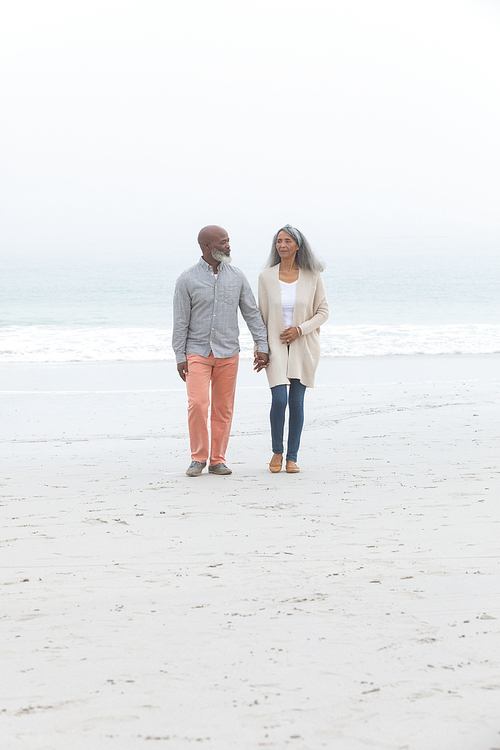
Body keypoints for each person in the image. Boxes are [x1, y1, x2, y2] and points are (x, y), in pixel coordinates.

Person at [172, 225, 269, 476]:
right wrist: (179, 355)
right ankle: (198, 458)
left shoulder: (237, 277)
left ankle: (217, 460)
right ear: (206, 246)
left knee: (223, 408)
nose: (228, 246)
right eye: (222, 242)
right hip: (197, 352)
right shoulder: (186, 279)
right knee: (197, 404)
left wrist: (262, 346)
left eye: (228, 241)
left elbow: (252, 314)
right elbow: (180, 321)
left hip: (228, 353)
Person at [257, 224, 329, 473]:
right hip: (276, 347)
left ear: (298, 245)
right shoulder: (266, 276)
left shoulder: (313, 275)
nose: (282, 245)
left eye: (288, 241)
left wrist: (300, 329)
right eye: (279, 241)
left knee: (296, 402)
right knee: (279, 400)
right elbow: (260, 317)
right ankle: (277, 451)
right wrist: (260, 348)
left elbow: (323, 312)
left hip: (304, 346)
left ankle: (292, 457)